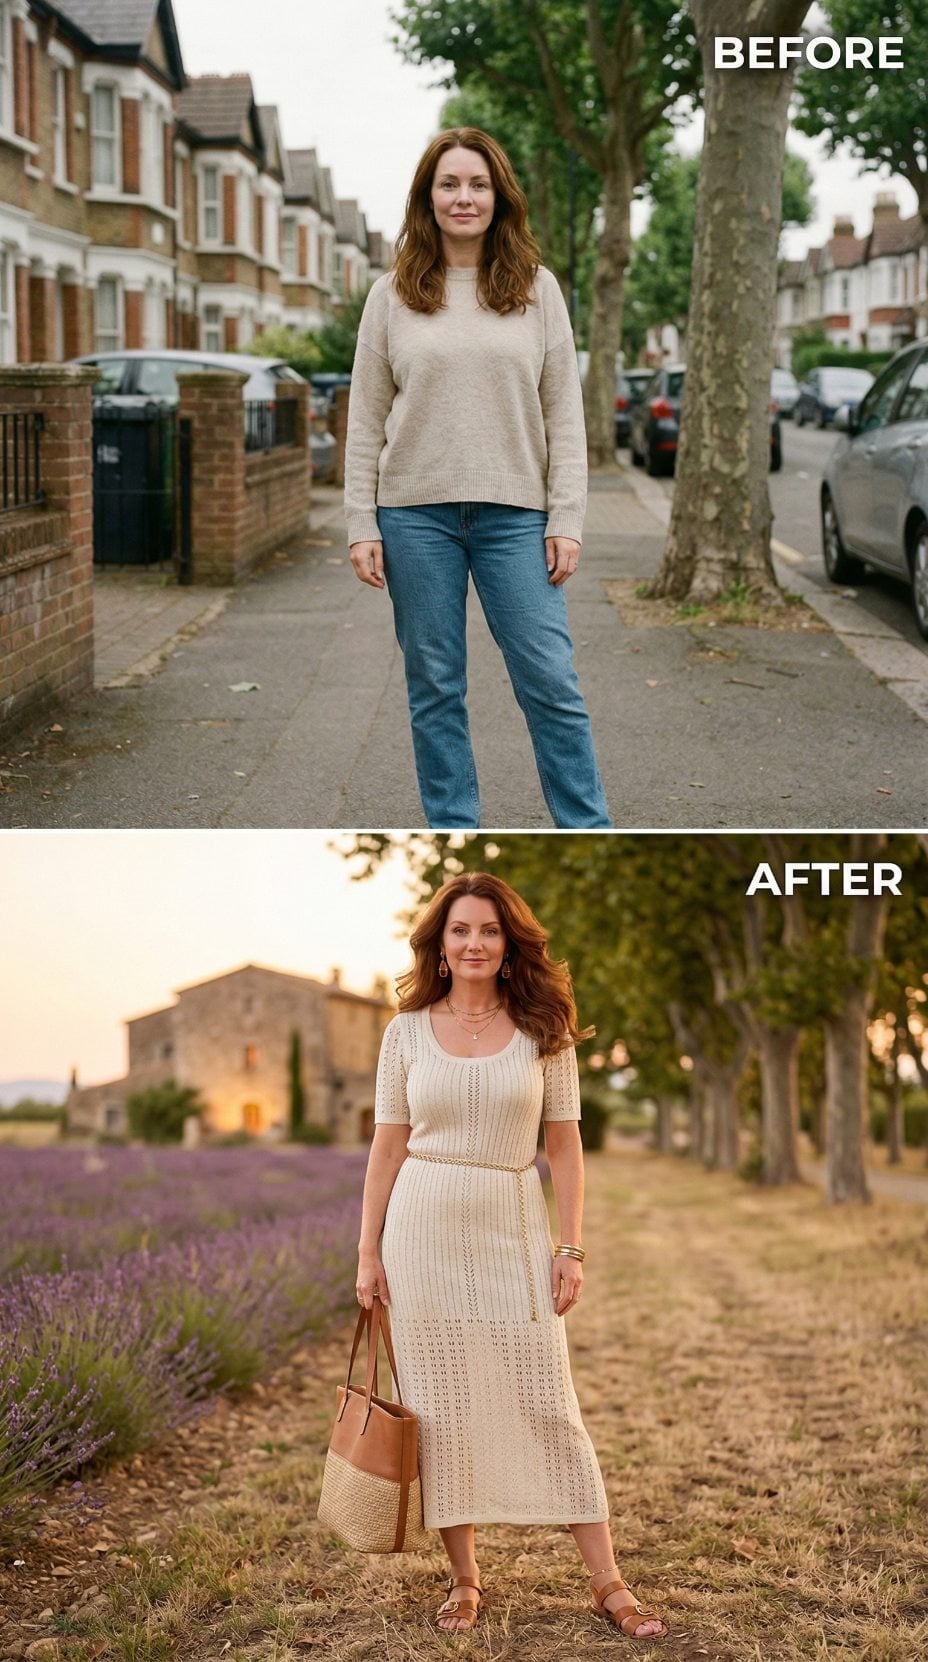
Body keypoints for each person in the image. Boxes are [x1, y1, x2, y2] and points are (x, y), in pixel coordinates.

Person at [355, 872, 667, 1639]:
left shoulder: (542, 1029)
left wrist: (570, 1246)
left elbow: (565, 1145)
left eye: (489, 930)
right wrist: (368, 1253)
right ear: (439, 945)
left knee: (547, 1400)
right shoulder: (404, 1033)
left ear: (508, 943)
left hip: (513, 1226)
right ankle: (464, 1580)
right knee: (440, 1409)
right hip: (420, 1235)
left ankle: (607, 1580)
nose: (474, 943)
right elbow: (386, 1148)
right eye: (460, 930)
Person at [344, 127, 610, 830]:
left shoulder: (537, 290)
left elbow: (565, 413)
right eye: (450, 184)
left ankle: (587, 829)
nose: (464, 197)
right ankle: (453, 827)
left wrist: (567, 518)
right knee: (435, 688)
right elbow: (365, 419)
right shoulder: (390, 296)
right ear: (427, 198)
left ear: (499, 197)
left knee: (550, 682)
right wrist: (361, 524)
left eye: (478, 184)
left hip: (516, 517)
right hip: (414, 516)